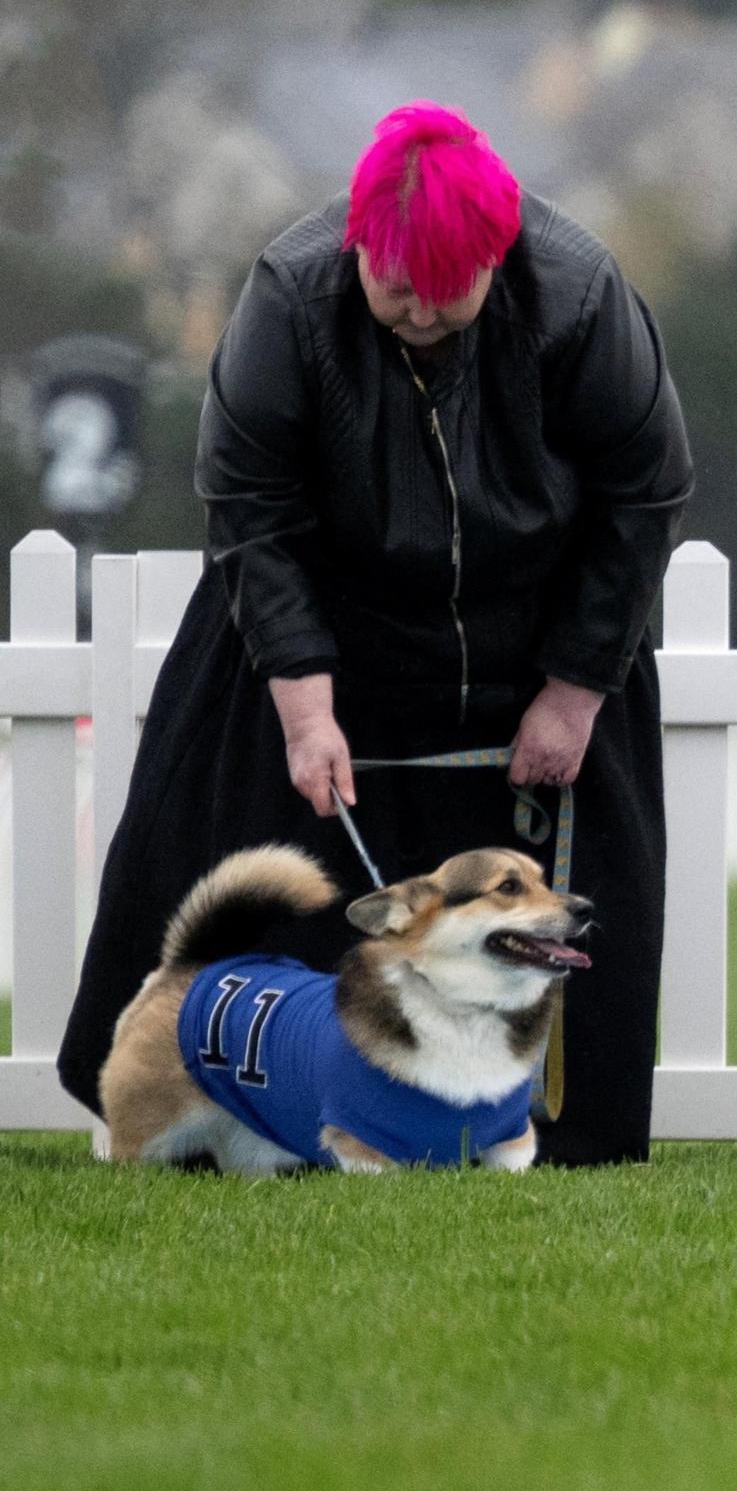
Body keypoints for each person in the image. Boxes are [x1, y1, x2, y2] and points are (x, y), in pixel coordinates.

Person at [56, 102, 693, 1163]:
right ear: (357, 246)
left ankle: (549, 1132)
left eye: (448, 294)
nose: (418, 313)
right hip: (317, 613)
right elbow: (249, 507)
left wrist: (578, 685)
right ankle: (231, 1114)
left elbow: (646, 491)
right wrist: (305, 710)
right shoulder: (287, 297)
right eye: (394, 286)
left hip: (537, 621)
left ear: (498, 254)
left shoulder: (581, 294)